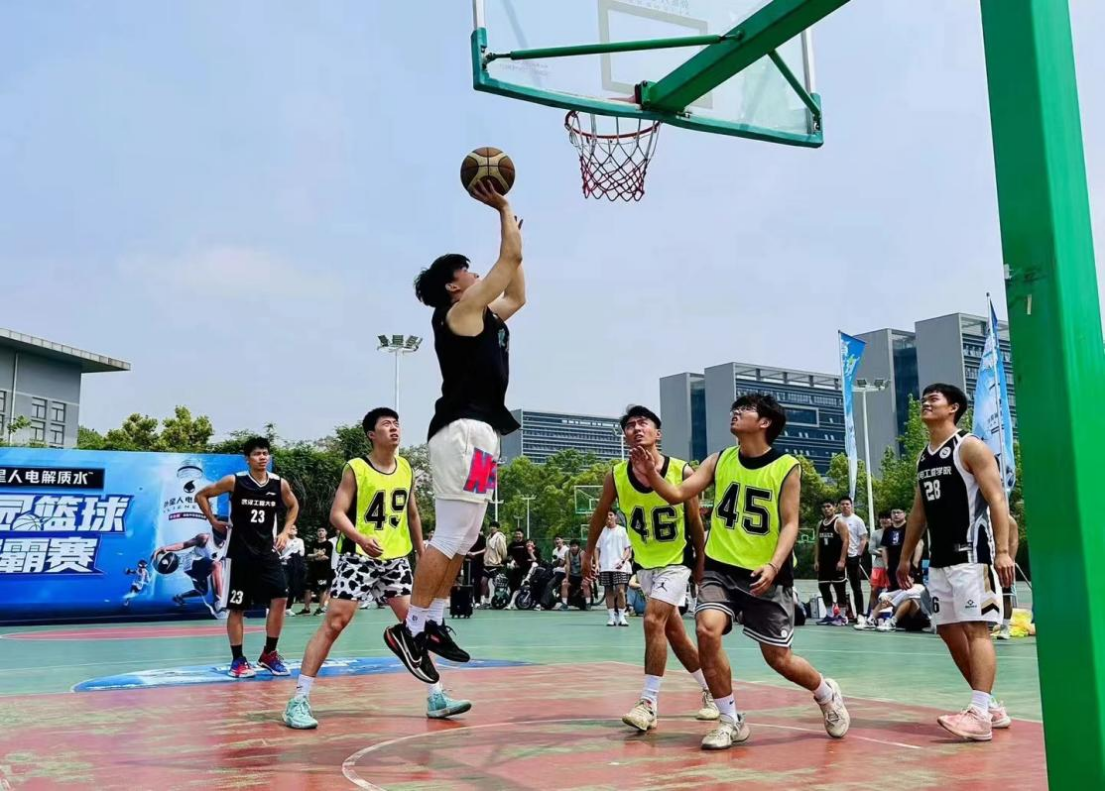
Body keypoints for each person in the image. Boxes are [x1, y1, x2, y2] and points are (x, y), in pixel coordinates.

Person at [635, 394, 849, 750]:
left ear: (764, 422)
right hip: (720, 567)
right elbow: (677, 493)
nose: (735, 412)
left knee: (779, 659)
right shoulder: (720, 459)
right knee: (707, 629)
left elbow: (791, 523)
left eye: (745, 409)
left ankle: (826, 692)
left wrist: (774, 564)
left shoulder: (787, 466)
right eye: (735, 408)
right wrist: (651, 474)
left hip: (765, 574)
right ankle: (730, 719)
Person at [386, 180, 525, 681]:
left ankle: (434, 622)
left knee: (466, 537)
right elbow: (507, 262)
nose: (474, 272)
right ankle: (411, 628)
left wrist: (515, 235)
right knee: (449, 533)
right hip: (460, 431)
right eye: (467, 269)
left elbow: (517, 293)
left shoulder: (485, 316)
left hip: (485, 435)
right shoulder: (459, 312)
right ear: (452, 285)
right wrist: (502, 208)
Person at [284, 408, 470, 729]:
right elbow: (336, 514)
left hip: (395, 559)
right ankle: (298, 699)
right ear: (372, 434)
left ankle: (436, 696)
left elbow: (412, 513)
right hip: (359, 556)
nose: (394, 428)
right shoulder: (357, 468)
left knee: (416, 627)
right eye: (386, 424)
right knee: (335, 623)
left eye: (397, 423)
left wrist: (422, 552)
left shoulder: (406, 468)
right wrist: (360, 537)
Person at [585, 405, 718, 732]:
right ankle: (713, 690)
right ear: (625, 436)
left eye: (643, 423)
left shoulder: (681, 471)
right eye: (630, 425)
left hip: (677, 561)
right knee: (674, 634)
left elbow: (695, 522)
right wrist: (589, 552)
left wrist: (701, 562)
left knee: (651, 619)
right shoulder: (616, 476)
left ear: (658, 433)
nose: (636, 428)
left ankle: (648, 703)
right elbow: (600, 514)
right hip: (645, 564)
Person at [899, 383, 1015, 741]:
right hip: (939, 561)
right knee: (949, 632)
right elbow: (918, 512)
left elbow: (997, 499)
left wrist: (1002, 551)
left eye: (934, 399)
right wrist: (904, 557)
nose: (926, 403)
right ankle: (990, 706)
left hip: (972, 556)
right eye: (924, 399)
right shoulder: (923, 457)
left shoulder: (970, 447)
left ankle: (979, 715)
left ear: (953, 408)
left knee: (977, 629)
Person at [195, 437, 298, 678]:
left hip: (267, 553)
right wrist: (213, 521)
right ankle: (238, 660)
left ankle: (269, 654)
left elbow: (293, 506)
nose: (262, 457)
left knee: (280, 599)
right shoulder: (235, 481)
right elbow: (201, 495)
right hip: (239, 554)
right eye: (257, 454)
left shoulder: (279, 483)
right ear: (247, 459)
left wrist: (285, 531)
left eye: (265, 453)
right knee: (237, 607)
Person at [155, 531, 227, 617]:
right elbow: (184, 544)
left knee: (202, 591)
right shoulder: (205, 538)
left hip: (202, 567)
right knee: (217, 565)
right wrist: (165, 548)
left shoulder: (227, 545)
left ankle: (179, 596)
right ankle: (219, 603)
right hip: (191, 563)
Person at [813, 501, 849, 625]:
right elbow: (817, 543)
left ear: (834, 508)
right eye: (823, 506)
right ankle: (829, 615)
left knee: (839, 588)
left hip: (836, 561)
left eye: (828, 506)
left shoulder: (839, 522)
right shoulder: (820, 524)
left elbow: (846, 541)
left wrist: (842, 560)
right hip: (824, 562)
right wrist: (816, 560)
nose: (826, 509)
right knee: (823, 587)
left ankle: (842, 616)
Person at [595, 511, 632, 626]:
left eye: (611, 515)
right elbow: (597, 548)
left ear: (615, 517)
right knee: (608, 591)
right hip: (605, 566)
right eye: (606, 515)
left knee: (620, 591)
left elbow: (628, 548)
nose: (609, 517)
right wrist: (597, 564)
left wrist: (622, 560)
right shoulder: (601, 531)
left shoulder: (622, 530)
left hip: (619, 566)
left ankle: (621, 617)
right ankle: (611, 618)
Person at [856, 511, 891, 629]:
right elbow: (871, 549)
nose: (884, 520)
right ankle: (873, 616)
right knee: (874, 591)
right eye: (882, 518)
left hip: (891, 567)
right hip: (878, 567)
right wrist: (883, 553)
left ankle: (886, 618)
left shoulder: (894, 533)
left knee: (888, 593)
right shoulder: (876, 533)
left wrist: (889, 554)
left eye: (887, 517)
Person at [838, 496, 868, 622]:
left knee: (856, 586)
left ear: (851, 505)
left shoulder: (857, 520)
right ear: (839, 506)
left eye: (847, 504)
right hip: (839, 557)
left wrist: (858, 554)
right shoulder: (837, 519)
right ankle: (843, 614)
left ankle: (860, 613)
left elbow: (863, 539)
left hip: (853, 556)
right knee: (839, 586)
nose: (845, 506)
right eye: (842, 504)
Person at [996, 515, 1019, 641]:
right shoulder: (985, 516)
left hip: (1003, 563)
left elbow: (1014, 542)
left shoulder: (1010, 522)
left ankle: (1005, 627)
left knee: (1006, 595)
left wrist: (1010, 559)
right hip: (987, 561)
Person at [302, 529, 335, 616]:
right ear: (317, 533)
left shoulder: (329, 544)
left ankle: (320, 608)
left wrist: (315, 556)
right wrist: (317, 555)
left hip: (323, 570)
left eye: (323, 531)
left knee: (322, 589)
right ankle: (306, 608)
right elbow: (308, 555)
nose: (321, 532)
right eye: (319, 531)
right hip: (312, 569)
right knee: (308, 588)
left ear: (326, 533)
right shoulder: (313, 543)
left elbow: (327, 557)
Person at [280, 525, 306, 615]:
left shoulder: (300, 541)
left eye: (295, 528)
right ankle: (279, 608)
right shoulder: (283, 539)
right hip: (284, 565)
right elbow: (279, 550)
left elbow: (302, 553)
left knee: (293, 586)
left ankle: (288, 607)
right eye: (291, 528)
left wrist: (294, 555)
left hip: (295, 565)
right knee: (284, 585)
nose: (293, 530)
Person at [481, 521, 508, 608]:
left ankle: (499, 600)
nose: (492, 528)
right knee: (483, 582)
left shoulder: (499, 538)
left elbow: (503, 551)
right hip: (487, 564)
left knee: (497, 584)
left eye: (494, 526)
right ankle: (487, 601)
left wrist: (503, 561)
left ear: (497, 528)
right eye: (491, 526)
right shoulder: (488, 538)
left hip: (496, 564)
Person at [558, 539, 586, 609]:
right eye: (572, 546)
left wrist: (584, 578)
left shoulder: (582, 553)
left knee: (585, 584)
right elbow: (568, 565)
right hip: (572, 575)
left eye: (575, 546)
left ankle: (588, 603)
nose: (573, 548)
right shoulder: (567, 553)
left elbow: (583, 566)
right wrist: (567, 578)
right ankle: (564, 604)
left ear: (578, 546)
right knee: (564, 584)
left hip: (580, 575)